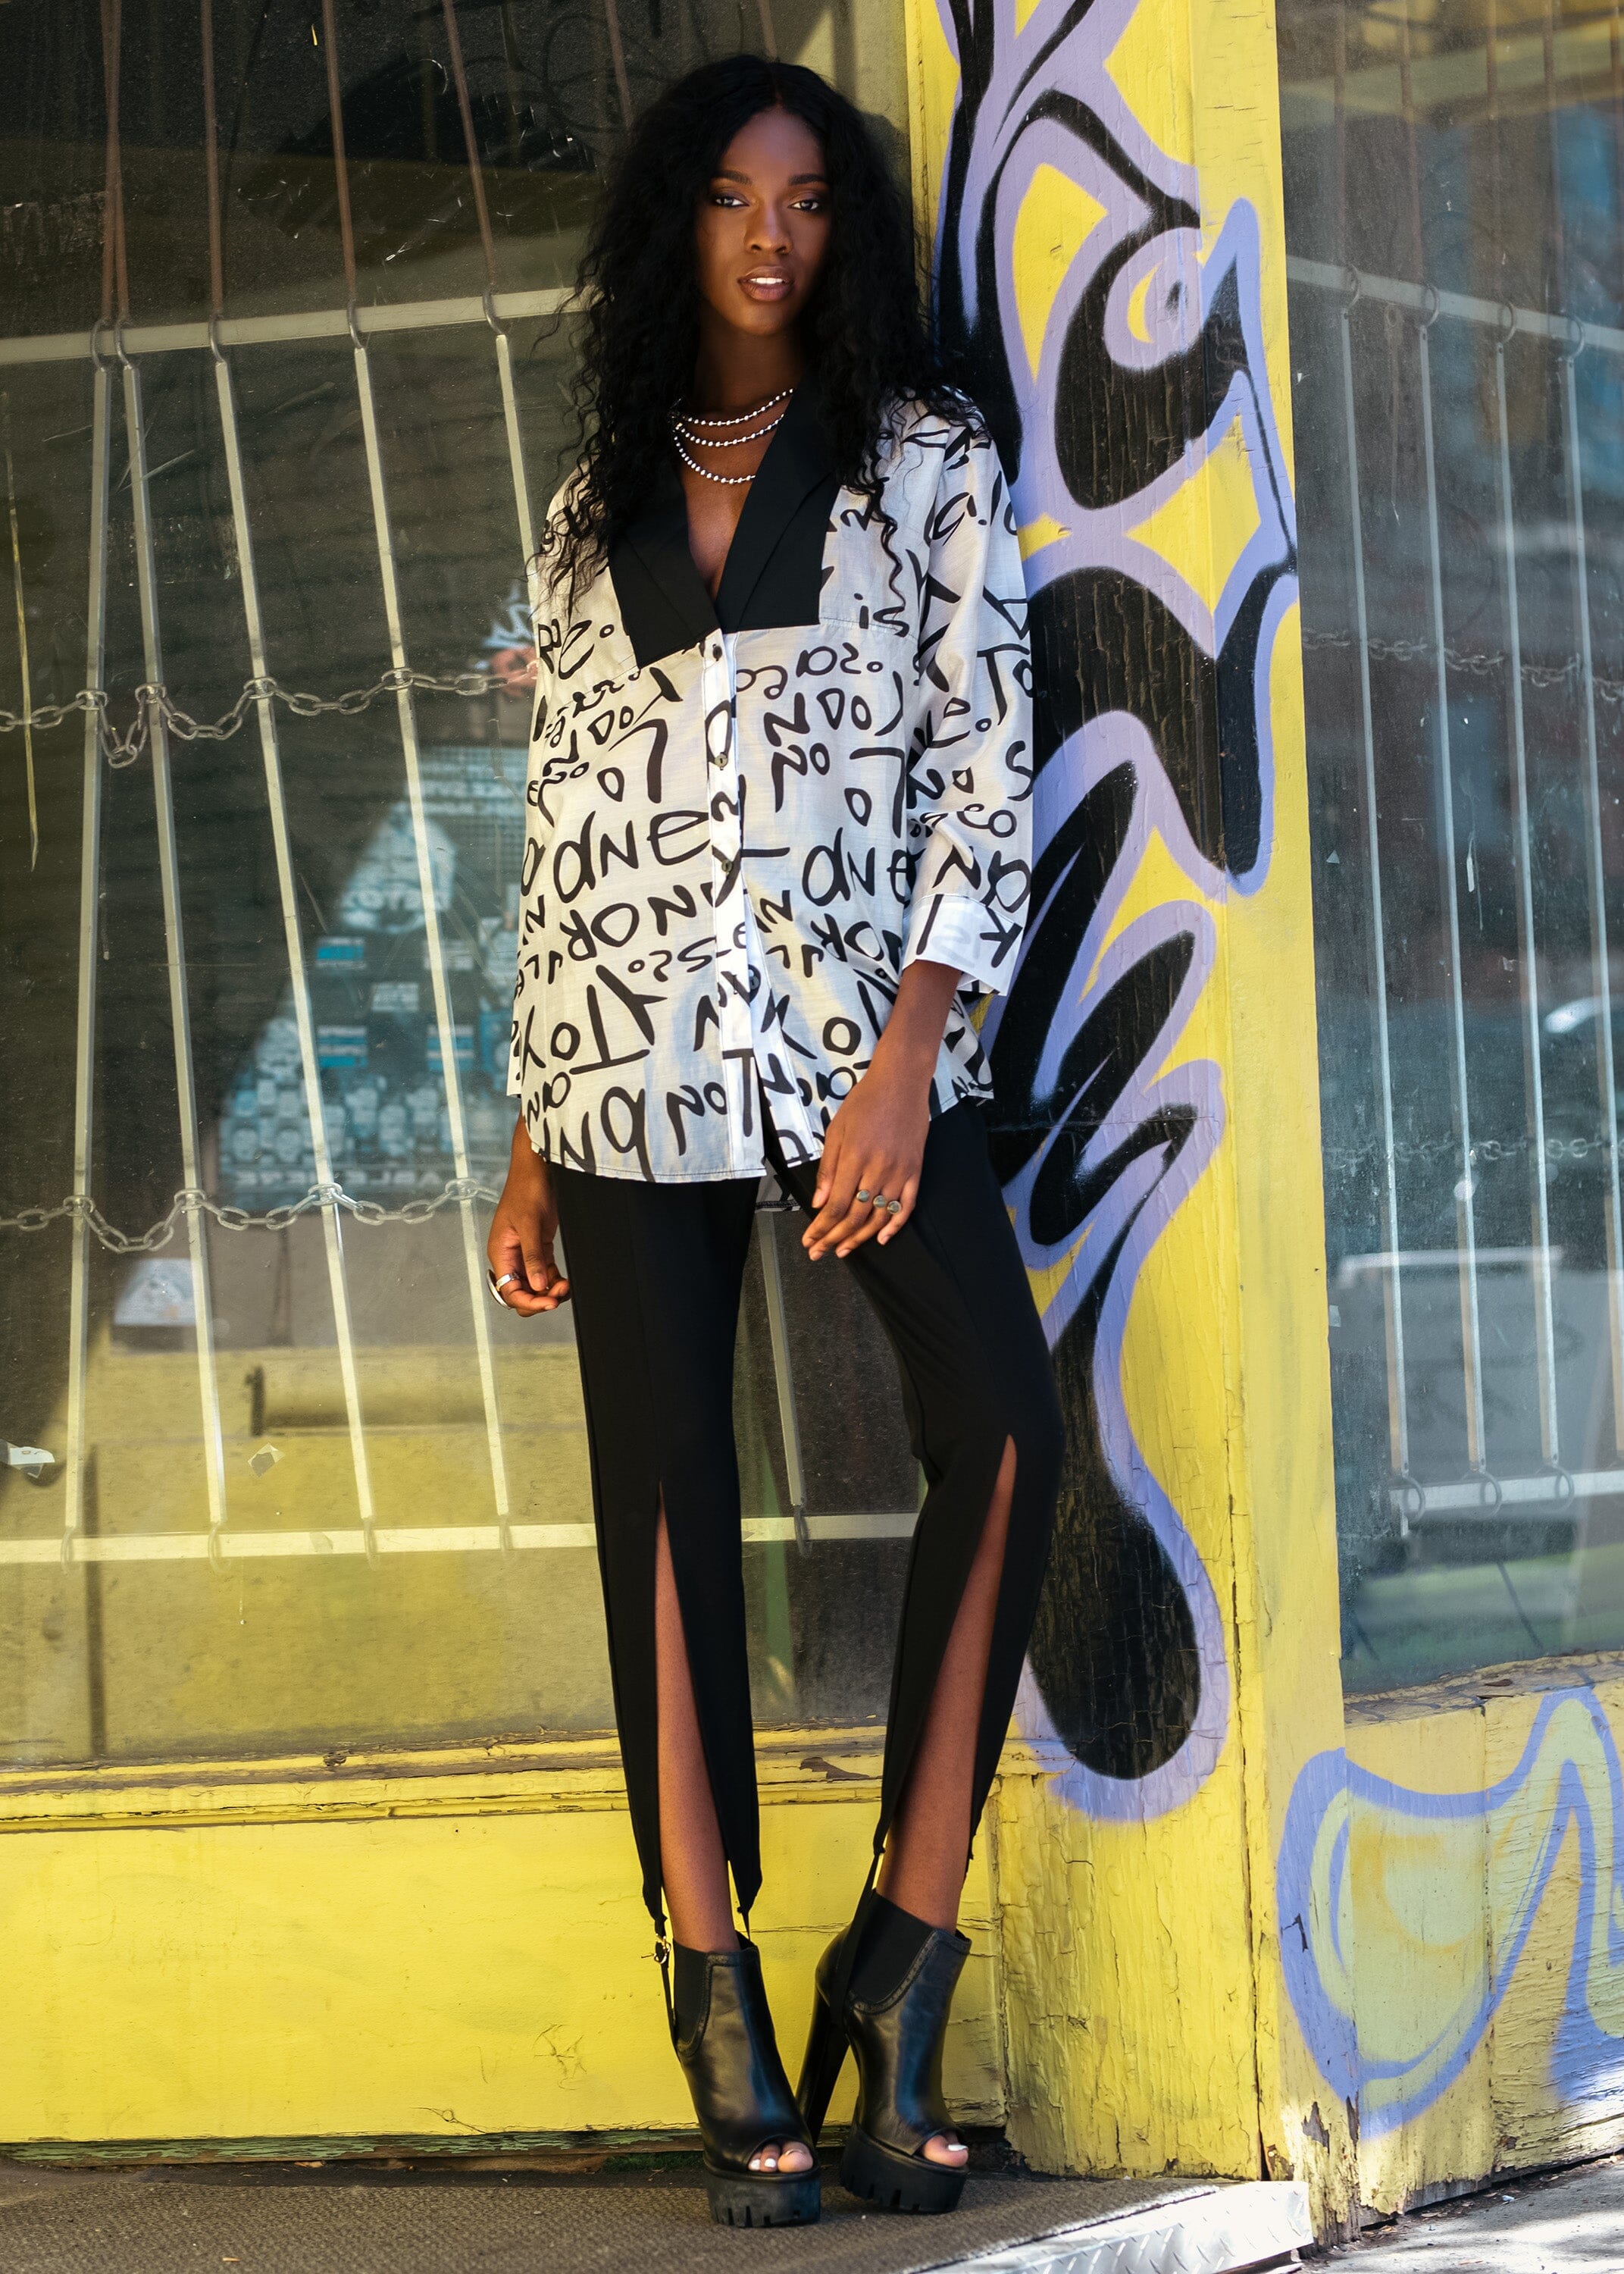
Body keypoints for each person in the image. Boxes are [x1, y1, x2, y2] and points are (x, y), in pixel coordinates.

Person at [487, 52, 1062, 2230]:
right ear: (679, 221)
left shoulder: (925, 461)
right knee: (663, 1502)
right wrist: (531, 1121)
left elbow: (983, 765)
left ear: (848, 229)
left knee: (1004, 1425)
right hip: (621, 1060)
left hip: (854, 1063)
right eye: (734, 197)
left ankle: (899, 1953)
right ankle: (712, 1981)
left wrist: (914, 1051)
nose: (771, 237)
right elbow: (563, 818)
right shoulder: (593, 496)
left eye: (809, 200)